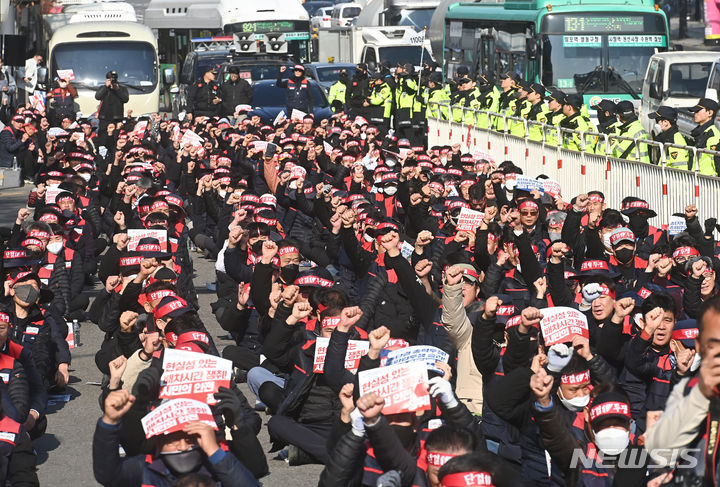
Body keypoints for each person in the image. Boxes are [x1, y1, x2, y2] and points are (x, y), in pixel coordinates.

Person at [689, 97, 720, 176]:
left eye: (698, 111)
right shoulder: (699, 133)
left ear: (710, 113)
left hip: (708, 183)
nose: (695, 114)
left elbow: (716, 162)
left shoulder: (712, 135)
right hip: (697, 180)